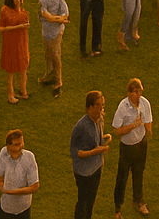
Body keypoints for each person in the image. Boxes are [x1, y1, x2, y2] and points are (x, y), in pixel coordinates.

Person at [112, 78, 154, 219]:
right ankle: (118, 207)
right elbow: (116, 130)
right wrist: (133, 125)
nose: (139, 94)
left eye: (140, 91)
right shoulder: (123, 107)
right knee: (122, 177)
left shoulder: (144, 103)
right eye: (136, 91)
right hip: (127, 147)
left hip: (141, 144)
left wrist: (148, 129)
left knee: (139, 173)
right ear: (129, 93)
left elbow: (148, 120)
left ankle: (139, 202)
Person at [71, 90, 113, 219]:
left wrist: (105, 137)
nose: (101, 108)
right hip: (84, 173)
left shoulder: (99, 119)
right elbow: (75, 153)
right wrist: (96, 151)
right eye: (98, 105)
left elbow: (96, 138)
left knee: (90, 202)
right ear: (89, 107)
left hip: (96, 168)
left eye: (103, 105)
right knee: (83, 202)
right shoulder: (81, 127)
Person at [0, 129, 39, 219]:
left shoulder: (29, 157)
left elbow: (35, 186)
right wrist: (0, 183)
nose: (21, 146)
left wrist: (11, 192)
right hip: (5, 208)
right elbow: (0, 176)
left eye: (21, 143)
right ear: (8, 146)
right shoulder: (3, 153)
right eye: (17, 144)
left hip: (23, 210)